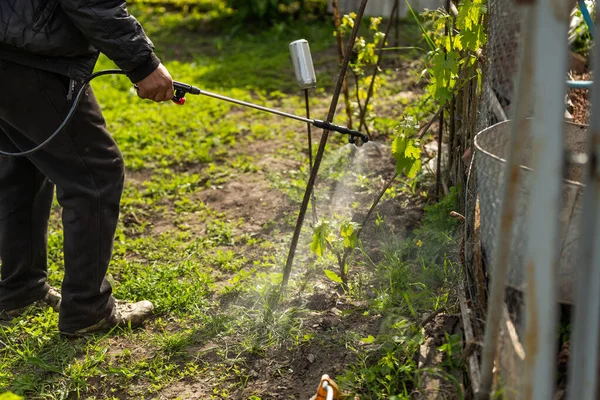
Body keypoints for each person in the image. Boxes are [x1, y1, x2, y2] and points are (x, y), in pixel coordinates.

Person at [0, 0, 174, 336]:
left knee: (24, 166)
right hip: (31, 56)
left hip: (11, 48)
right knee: (96, 173)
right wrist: (143, 63)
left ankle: (20, 290)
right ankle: (88, 309)